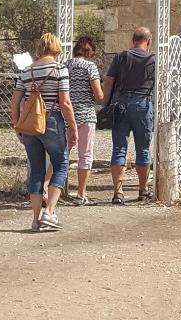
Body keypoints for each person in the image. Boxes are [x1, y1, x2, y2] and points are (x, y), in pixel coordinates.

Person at [10, 33, 78, 233]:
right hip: (52, 121)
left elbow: (14, 101)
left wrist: (17, 125)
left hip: (30, 124)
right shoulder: (59, 70)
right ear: (57, 47)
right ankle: (49, 212)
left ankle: (35, 218)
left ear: (40, 47)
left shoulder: (26, 71)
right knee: (61, 164)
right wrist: (73, 127)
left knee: (36, 170)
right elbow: (64, 102)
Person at [102, 27, 156, 205]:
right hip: (143, 104)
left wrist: (105, 104)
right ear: (148, 42)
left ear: (133, 40)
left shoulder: (121, 57)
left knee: (119, 148)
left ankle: (118, 193)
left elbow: (109, 81)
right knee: (143, 149)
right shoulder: (152, 59)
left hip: (121, 104)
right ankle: (143, 190)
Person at [67, 34, 105, 204]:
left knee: (61, 155)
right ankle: (81, 194)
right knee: (85, 155)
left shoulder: (65, 65)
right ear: (89, 52)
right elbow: (98, 96)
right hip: (86, 114)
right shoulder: (90, 67)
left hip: (66, 115)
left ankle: (48, 189)